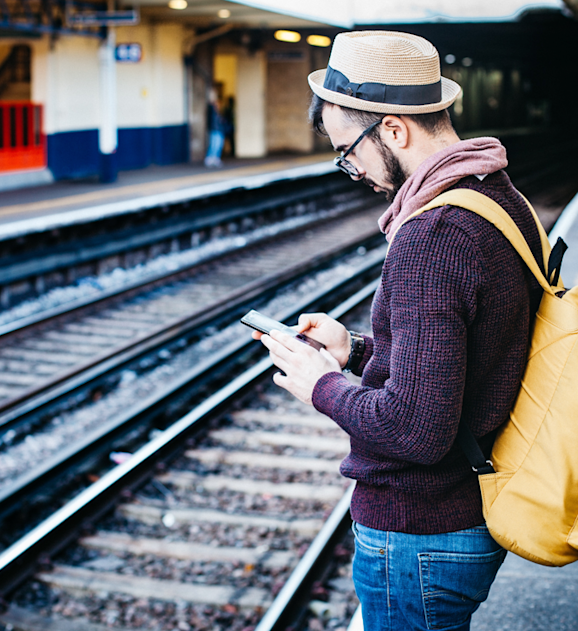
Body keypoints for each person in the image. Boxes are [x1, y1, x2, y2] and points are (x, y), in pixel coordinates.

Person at [252, 31, 544, 631]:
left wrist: (320, 384)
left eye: (348, 150)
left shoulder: (431, 237)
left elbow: (415, 428)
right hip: (462, 512)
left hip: (419, 531)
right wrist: (355, 350)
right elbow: (470, 356)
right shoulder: (498, 197)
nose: (349, 169)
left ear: (393, 129)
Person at [205, 87, 225, 167]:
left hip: (219, 129)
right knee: (214, 144)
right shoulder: (211, 107)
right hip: (214, 128)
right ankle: (210, 158)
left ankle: (215, 158)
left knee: (218, 144)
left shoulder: (216, 110)